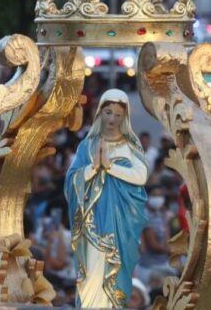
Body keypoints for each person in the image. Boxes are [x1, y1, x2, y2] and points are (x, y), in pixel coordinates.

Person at [64, 89, 149, 308]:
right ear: (100, 113)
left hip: (121, 223)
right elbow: (72, 180)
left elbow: (141, 176)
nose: (112, 119)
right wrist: (93, 168)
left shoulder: (130, 146)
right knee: (93, 272)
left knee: (118, 271)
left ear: (125, 118)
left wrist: (109, 167)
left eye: (118, 115)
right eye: (108, 112)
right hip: (93, 223)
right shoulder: (87, 145)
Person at [136, 186, 171, 284]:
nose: (158, 198)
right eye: (155, 195)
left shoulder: (160, 213)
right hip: (150, 267)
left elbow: (166, 236)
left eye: (160, 195)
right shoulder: (145, 215)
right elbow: (153, 245)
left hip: (162, 262)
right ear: (147, 197)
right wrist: (171, 251)